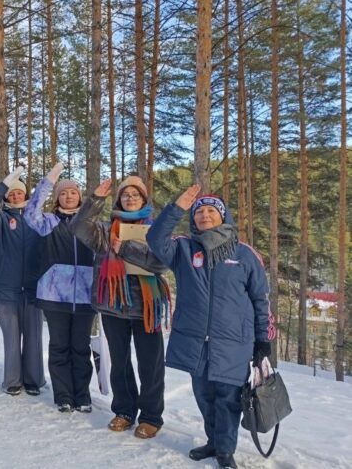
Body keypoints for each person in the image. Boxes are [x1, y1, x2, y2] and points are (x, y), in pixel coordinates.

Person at [146, 186, 274, 469]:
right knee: (204, 396)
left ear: (223, 216)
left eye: (211, 211)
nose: (205, 216)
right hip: (195, 343)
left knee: (228, 399)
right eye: (199, 211)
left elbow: (260, 299)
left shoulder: (244, 254)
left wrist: (263, 340)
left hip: (233, 343)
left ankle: (226, 450)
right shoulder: (182, 248)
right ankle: (214, 442)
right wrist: (177, 206)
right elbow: (155, 238)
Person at [70, 176, 171, 438]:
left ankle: (150, 416)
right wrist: (95, 200)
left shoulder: (156, 229)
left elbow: (160, 264)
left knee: (151, 365)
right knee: (120, 362)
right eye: (125, 194)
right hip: (113, 305)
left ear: (144, 199)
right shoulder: (104, 230)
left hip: (146, 306)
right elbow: (78, 226)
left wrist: (125, 248)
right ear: (119, 200)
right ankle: (124, 411)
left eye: (135, 194)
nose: (130, 198)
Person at [23, 162, 95, 413]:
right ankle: (63, 395)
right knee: (59, 346)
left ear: (80, 196)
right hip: (54, 294)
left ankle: (83, 396)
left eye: (72, 192)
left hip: (86, 295)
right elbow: (30, 212)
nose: (68, 196)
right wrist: (50, 180)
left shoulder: (89, 224)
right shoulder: (49, 222)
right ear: (57, 198)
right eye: (63, 193)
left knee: (81, 347)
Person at [0, 167, 46, 396]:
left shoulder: (35, 220)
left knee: (33, 337)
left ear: (26, 195)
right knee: (11, 338)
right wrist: (4, 183)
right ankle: (12, 380)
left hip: (32, 290)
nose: (16, 196)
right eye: (12, 193)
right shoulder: (0, 220)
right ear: (7, 197)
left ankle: (33, 380)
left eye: (20, 193)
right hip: (6, 291)